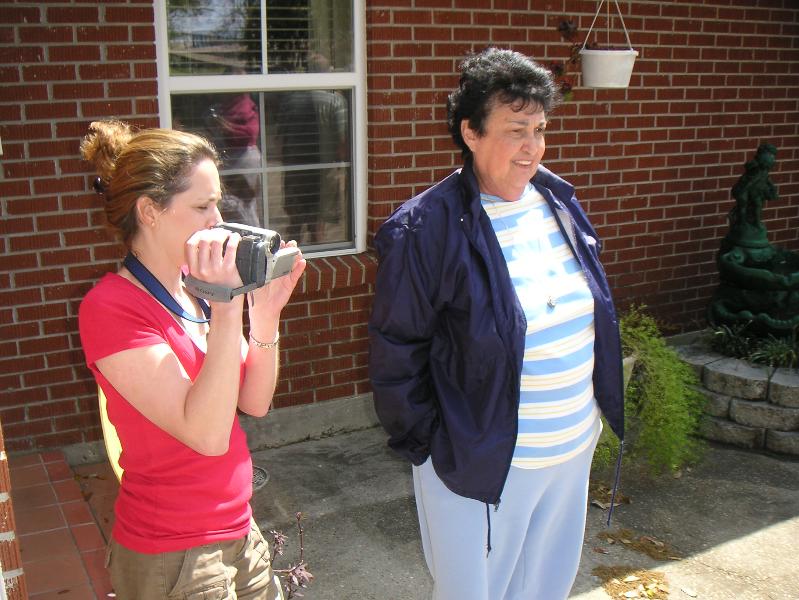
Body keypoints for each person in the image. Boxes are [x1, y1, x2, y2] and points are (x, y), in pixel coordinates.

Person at [368, 47, 624, 600]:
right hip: (482, 462)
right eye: (515, 130)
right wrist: (433, 447)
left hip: (570, 447)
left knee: (545, 588)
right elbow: (396, 351)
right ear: (471, 132)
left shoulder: (557, 201)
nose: (533, 146)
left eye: (539, 129)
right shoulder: (425, 228)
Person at [78, 120, 306, 600]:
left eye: (217, 203)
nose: (217, 220)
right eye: (202, 206)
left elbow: (255, 402)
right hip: (174, 553)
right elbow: (206, 434)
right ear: (150, 211)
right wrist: (227, 307)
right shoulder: (111, 308)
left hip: (238, 529)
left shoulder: (196, 288)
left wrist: (265, 318)